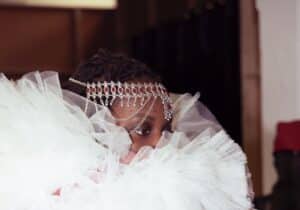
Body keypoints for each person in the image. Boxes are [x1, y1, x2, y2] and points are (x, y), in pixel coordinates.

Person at [0, 49, 254, 210]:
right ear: (92, 131)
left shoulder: (178, 195)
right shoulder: (54, 199)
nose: (160, 145)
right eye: (142, 130)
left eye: (166, 130)